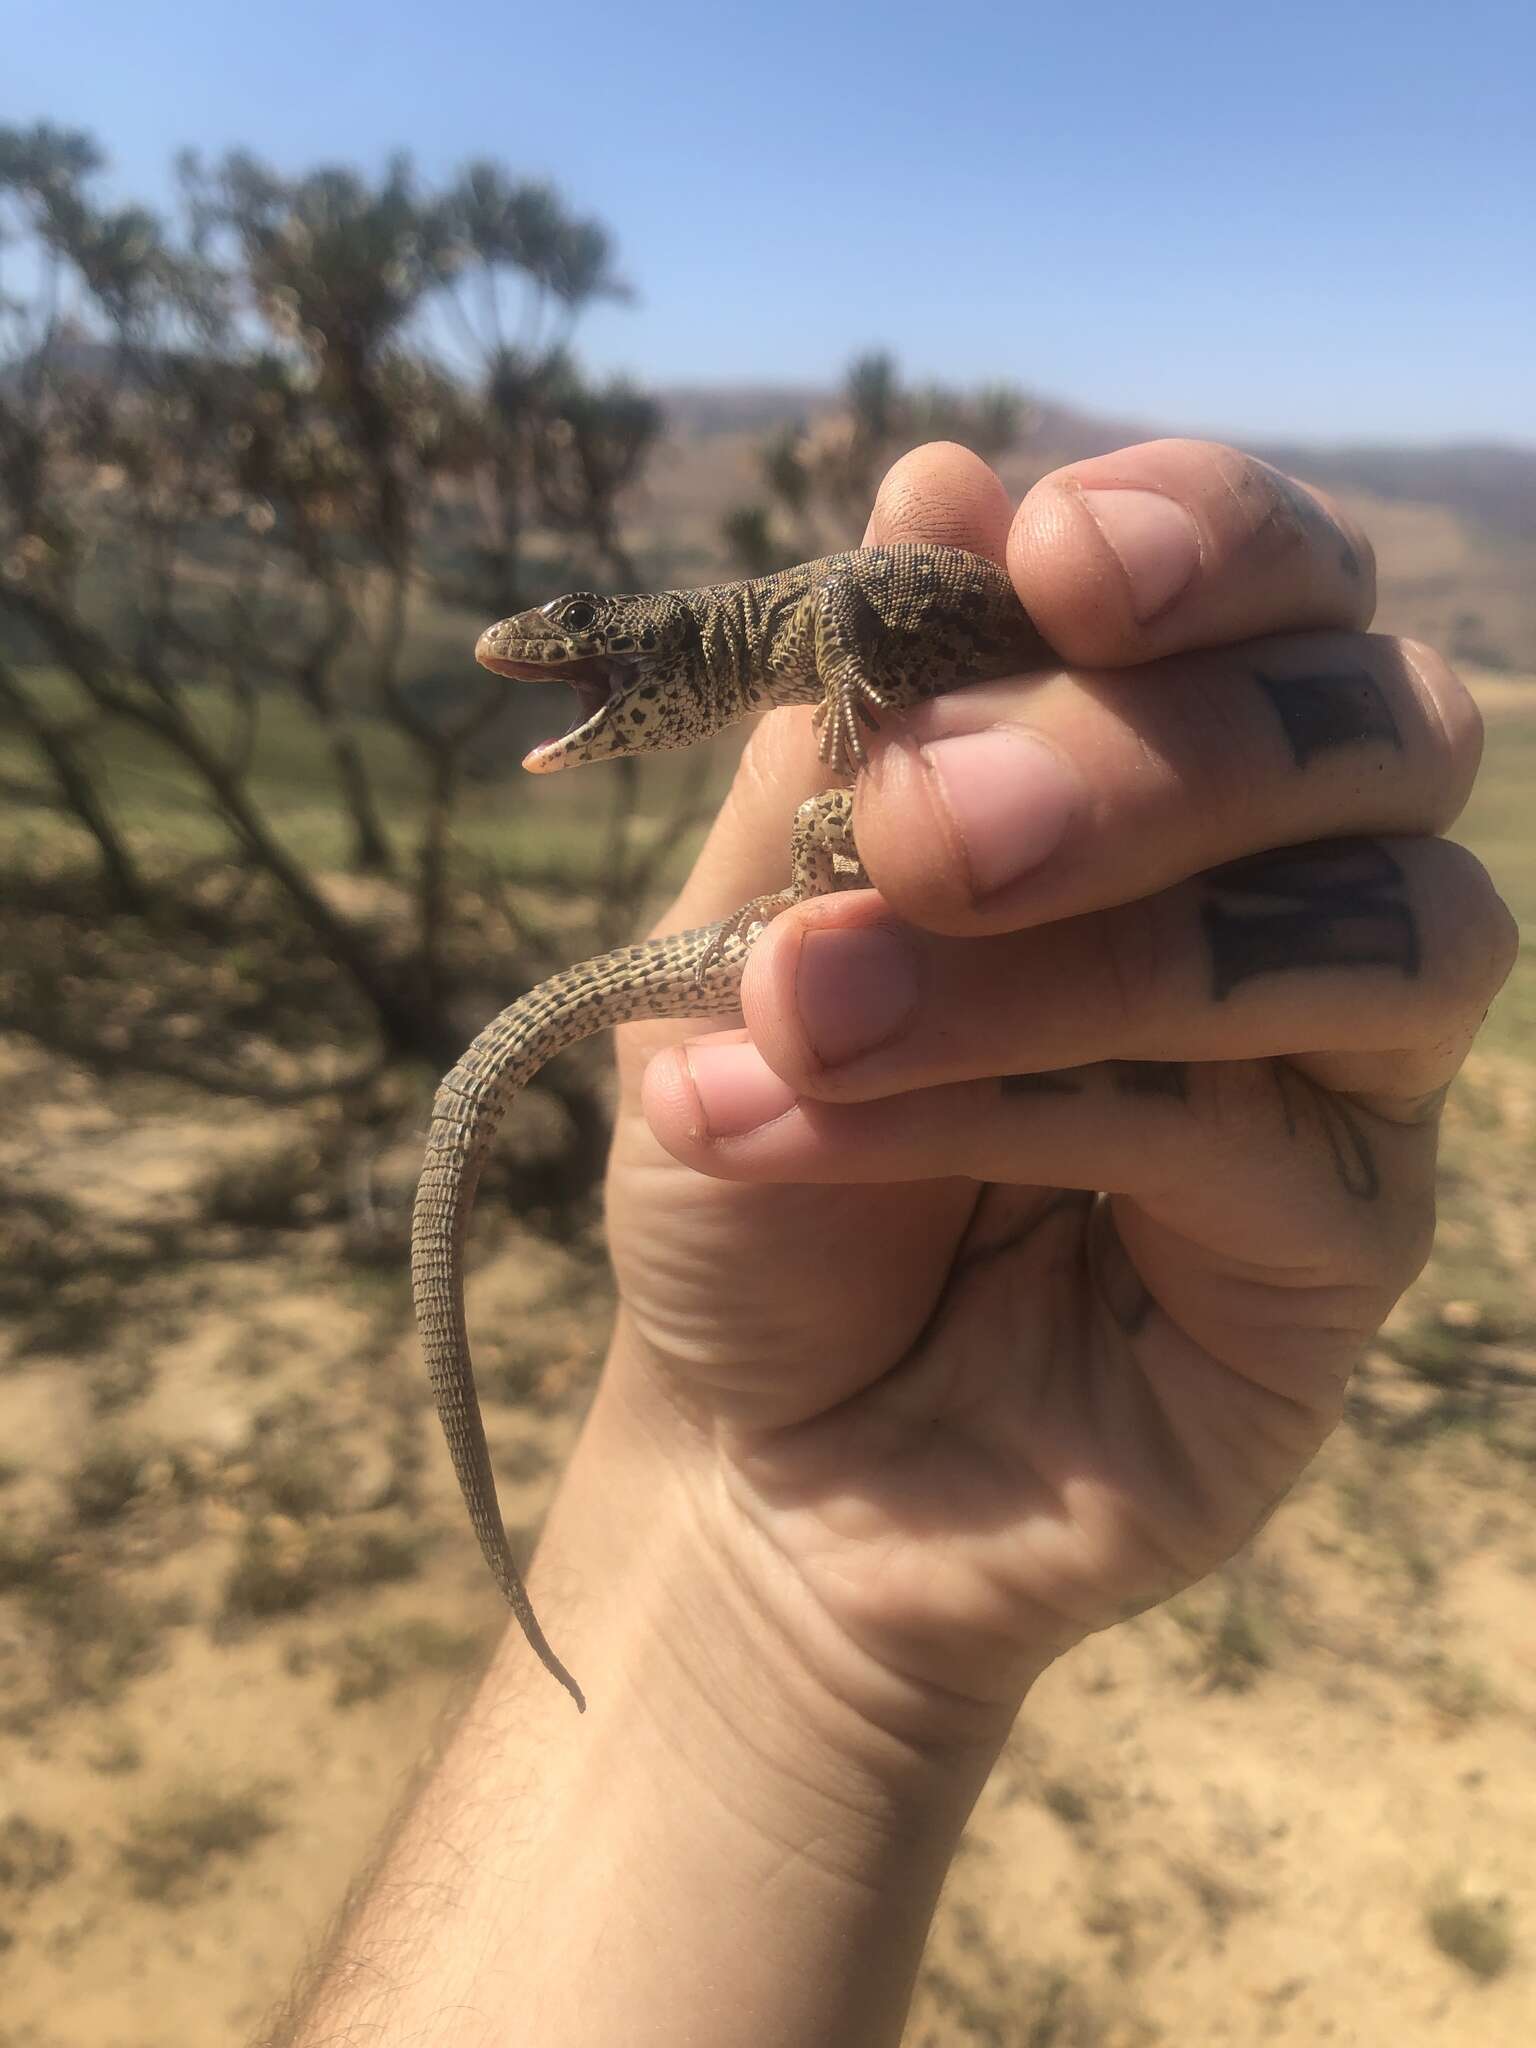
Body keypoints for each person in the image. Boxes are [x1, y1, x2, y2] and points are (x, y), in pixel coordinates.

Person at [274, 438, 1514, 2047]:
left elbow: (862, 594)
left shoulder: (801, 636)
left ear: (652, 652)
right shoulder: (785, 668)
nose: (560, 681)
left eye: (585, 647)